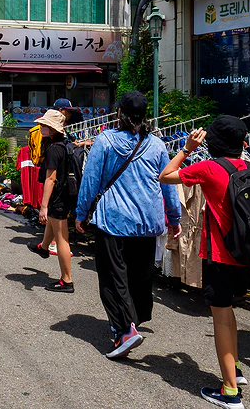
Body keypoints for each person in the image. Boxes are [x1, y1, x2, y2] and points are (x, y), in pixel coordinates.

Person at [74, 91, 181, 360]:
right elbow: (168, 183)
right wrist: (174, 217)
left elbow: (90, 180)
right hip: (147, 221)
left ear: (119, 113)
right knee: (140, 275)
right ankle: (135, 319)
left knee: (112, 276)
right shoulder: (156, 145)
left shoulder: (105, 141)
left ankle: (124, 330)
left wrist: (81, 213)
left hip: (114, 220)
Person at [159, 116, 250, 409]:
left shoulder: (208, 168)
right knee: (229, 314)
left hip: (220, 257)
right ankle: (234, 369)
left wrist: (187, 149)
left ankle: (229, 392)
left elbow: (166, 175)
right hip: (244, 255)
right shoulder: (249, 166)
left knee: (221, 320)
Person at [27, 109, 78, 293]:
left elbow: (50, 179)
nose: (41, 127)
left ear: (53, 128)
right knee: (53, 224)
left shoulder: (54, 149)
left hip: (58, 196)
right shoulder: (64, 143)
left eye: (45, 125)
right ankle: (44, 247)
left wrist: (43, 205)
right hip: (66, 194)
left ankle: (67, 280)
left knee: (62, 238)